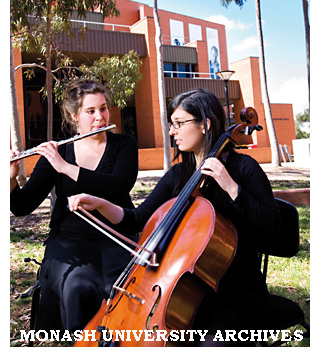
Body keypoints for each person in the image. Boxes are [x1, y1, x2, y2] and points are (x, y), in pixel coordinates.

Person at [68, 88, 281, 346]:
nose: (172, 131)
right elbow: (138, 220)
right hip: (181, 295)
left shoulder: (244, 169)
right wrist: (100, 203)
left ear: (206, 125)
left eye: (179, 123)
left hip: (234, 295)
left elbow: (273, 226)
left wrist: (231, 187)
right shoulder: (179, 175)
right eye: (172, 124)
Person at [10, 79, 139, 333]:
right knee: (78, 285)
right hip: (70, 240)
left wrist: (66, 168)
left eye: (103, 108)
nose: (99, 117)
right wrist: (11, 178)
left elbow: (118, 186)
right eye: (90, 111)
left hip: (116, 236)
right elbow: (22, 206)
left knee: (124, 288)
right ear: (74, 116)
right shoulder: (57, 153)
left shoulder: (124, 145)